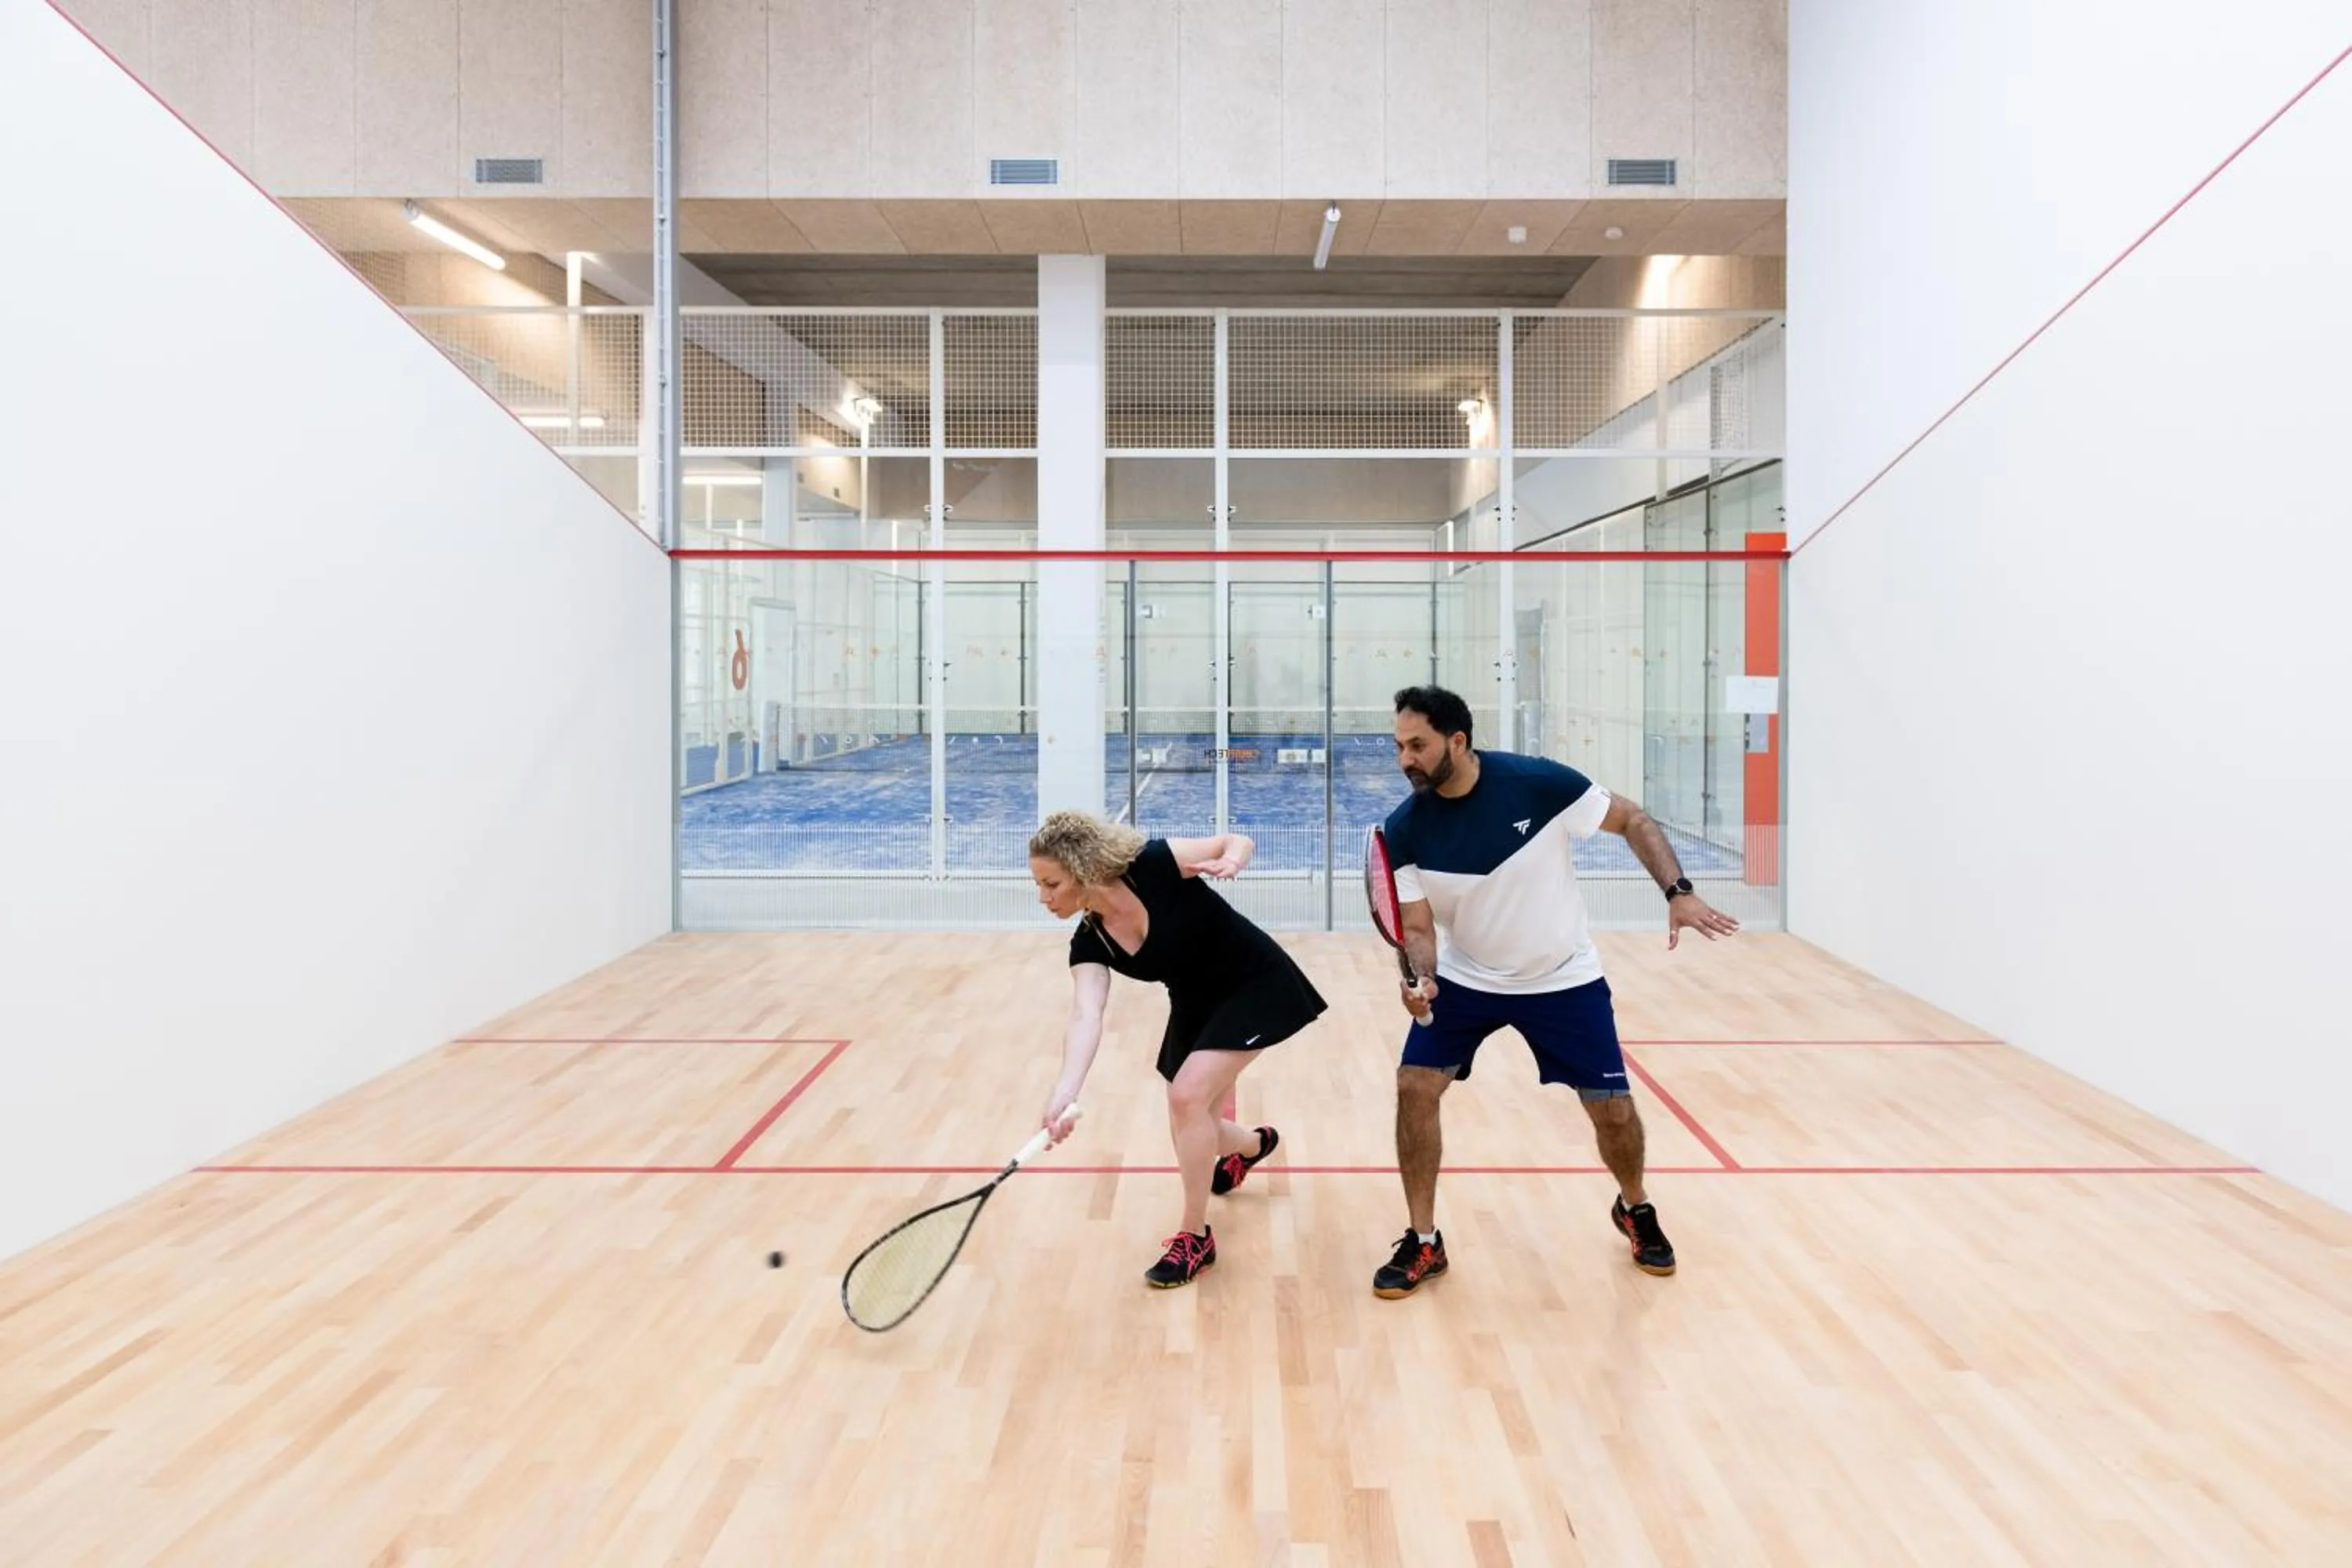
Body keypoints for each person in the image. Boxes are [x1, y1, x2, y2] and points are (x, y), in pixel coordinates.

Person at [1370, 685, 1741, 1299]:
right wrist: (1420, 976)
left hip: (1563, 977)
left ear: (1456, 742)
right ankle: (1424, 1239)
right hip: (1469, 978)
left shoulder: (1539, 785)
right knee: (1415, 1085)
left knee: (1612, 1108)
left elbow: (1633, 819)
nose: (1404, 759)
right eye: (1398, 746)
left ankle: (1635, 1208)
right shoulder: (1405, 828)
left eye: (1417, 745)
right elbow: (1416, 927)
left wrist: (1678, 892)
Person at [1029, 810, 1327, 1288]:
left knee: (1184, 1098)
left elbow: (1236, 839)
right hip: (1194, 1001)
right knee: (1199, 1121)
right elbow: (1087, 1014)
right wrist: (1065, 1090)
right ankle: (1254, 1146)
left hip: (1254, 982)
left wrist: (1230, 861)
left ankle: (1195, 1237)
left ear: (1082, 871)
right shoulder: (1090, 942)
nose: (1044, 898)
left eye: (1052, 884)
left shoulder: (1152, 863)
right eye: (1039, 886)